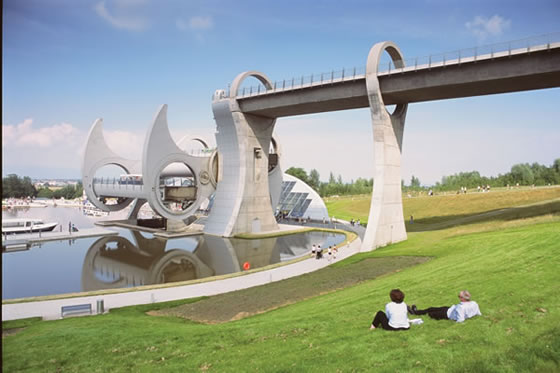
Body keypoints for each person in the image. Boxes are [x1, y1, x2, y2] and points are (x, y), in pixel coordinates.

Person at [408, 290, 481, 322]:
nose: (458, 297)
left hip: (447, 314)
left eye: (459, 296)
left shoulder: (461, 307)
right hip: (450, 309)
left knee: (431, 313)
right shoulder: (474, 303)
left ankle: (414, 312)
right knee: (431, 308)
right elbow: (478, 313)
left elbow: (460, 320)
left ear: (463, 298)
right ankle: (416, 311)